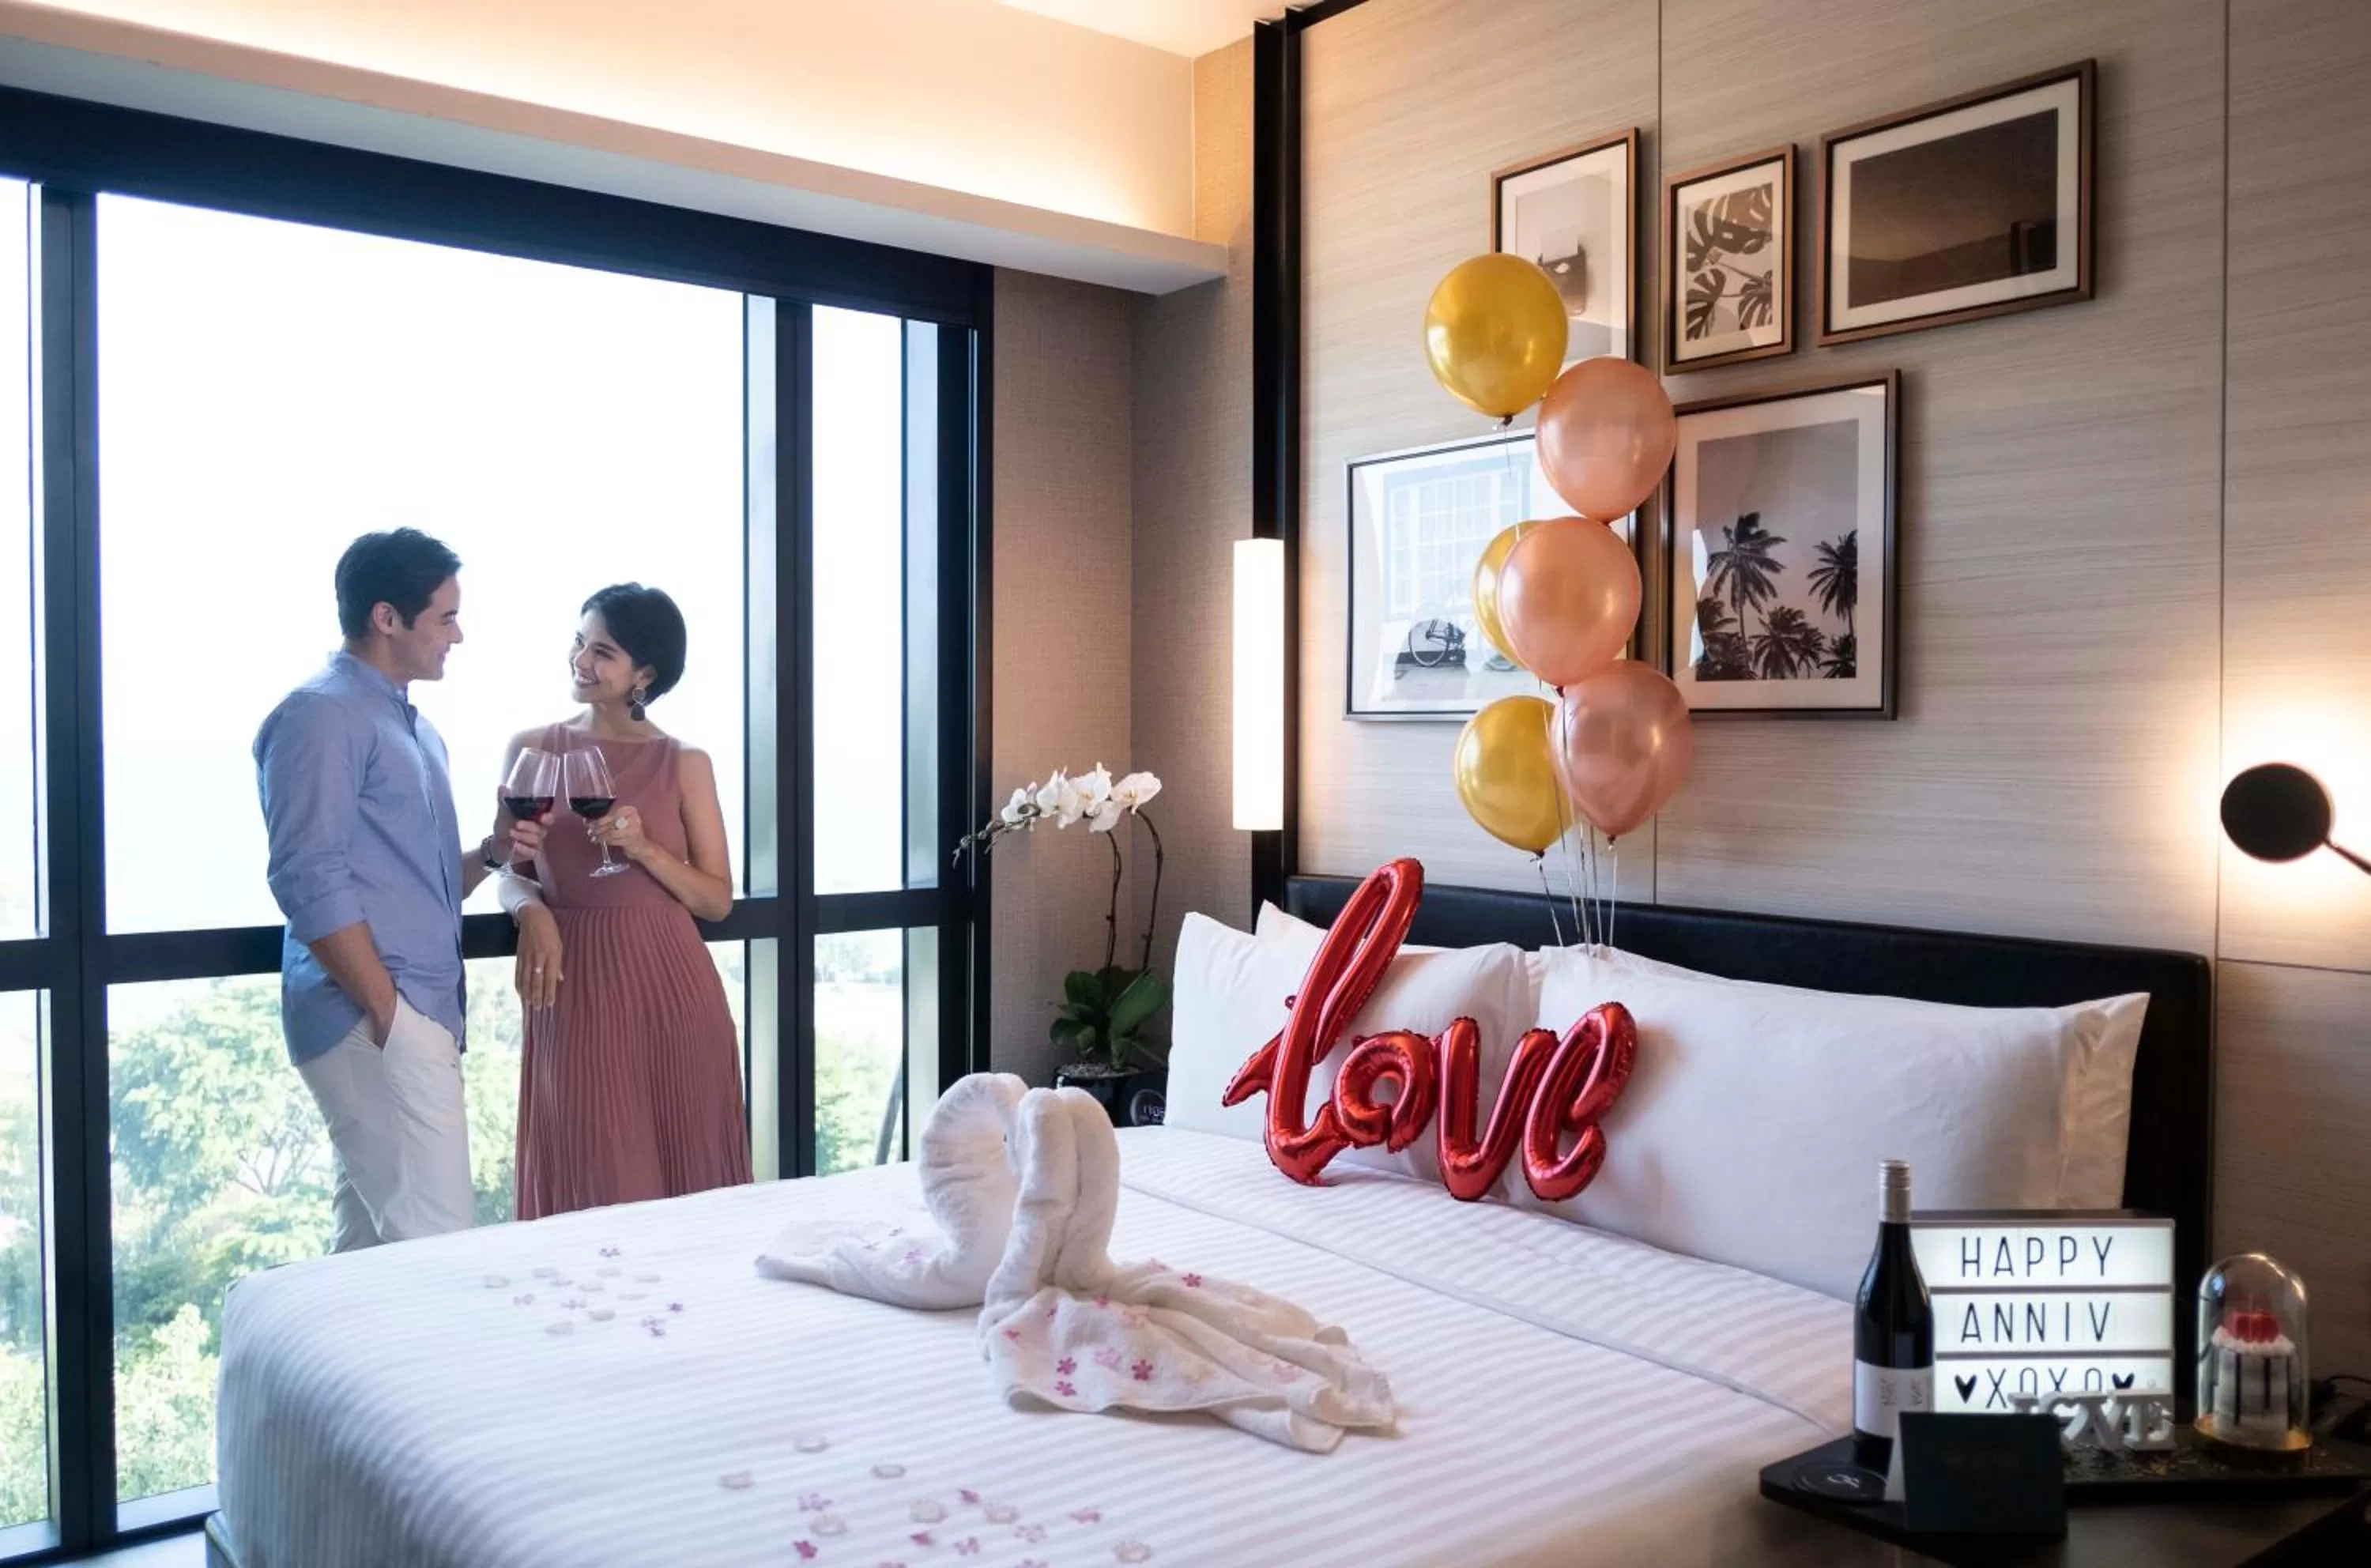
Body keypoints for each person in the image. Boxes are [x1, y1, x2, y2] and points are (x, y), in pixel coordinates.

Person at [254, 529, 544, 1251]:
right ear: (388, 618)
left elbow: (424, 885)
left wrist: (493, 850)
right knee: (439, 1247)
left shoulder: (415, 729)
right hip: (373, 1018)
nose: (459, 634)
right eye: (445, 617)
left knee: (372, 1256)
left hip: (408, 1013)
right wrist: (389, 1012)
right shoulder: (320, 716)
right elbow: (306, 875)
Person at [497, 583, 750, 1219]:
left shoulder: (685, 762)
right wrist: (533, 913)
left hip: (672, 986)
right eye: (580, 643)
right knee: (598, 1178)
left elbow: (717, 901)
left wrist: (644, 848)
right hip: (574, 981)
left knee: (690, 1187)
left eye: (602, 651)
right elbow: (510, 866)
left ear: (645, 674)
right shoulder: (534, 747)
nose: (580, 660)